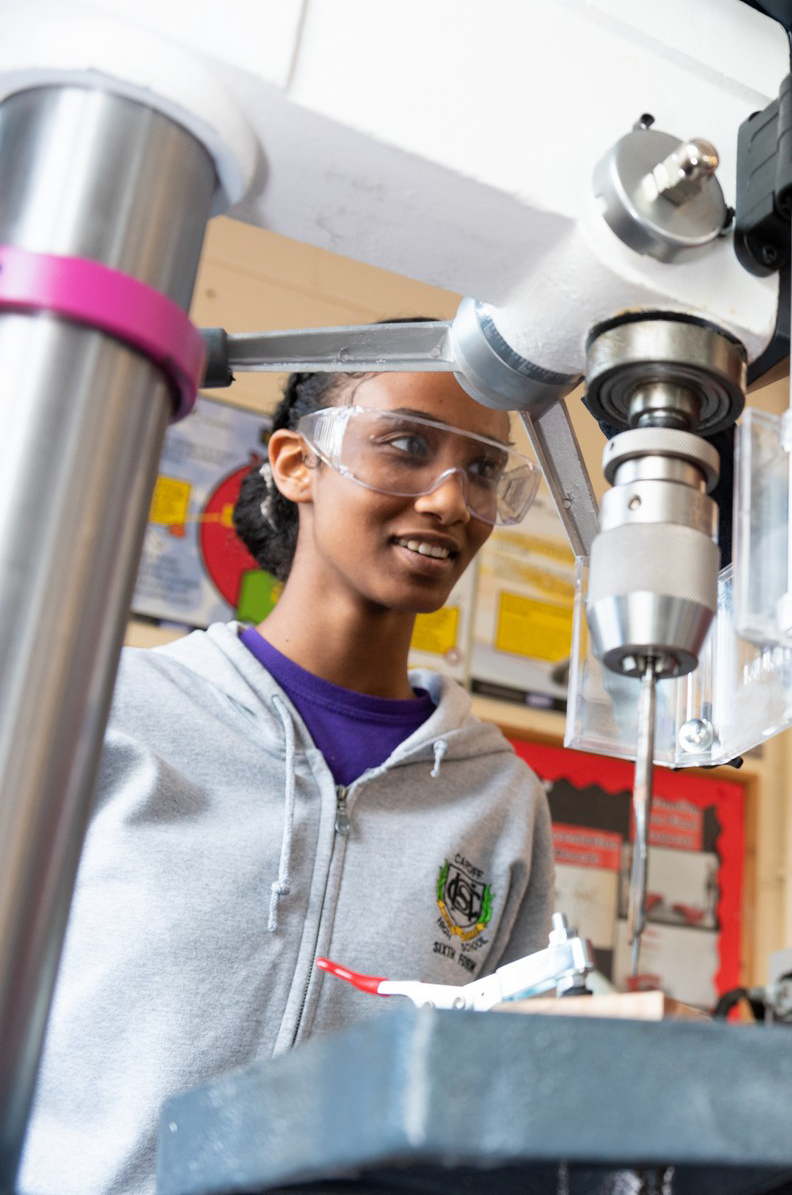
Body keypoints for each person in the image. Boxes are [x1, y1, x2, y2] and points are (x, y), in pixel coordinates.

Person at [20, 362, 559, 1194]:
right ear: (297, 464)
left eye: (483, 468)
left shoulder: (498, 800)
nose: (451, 500)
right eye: (407, 445)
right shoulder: (109, 711)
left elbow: (502, 1102)